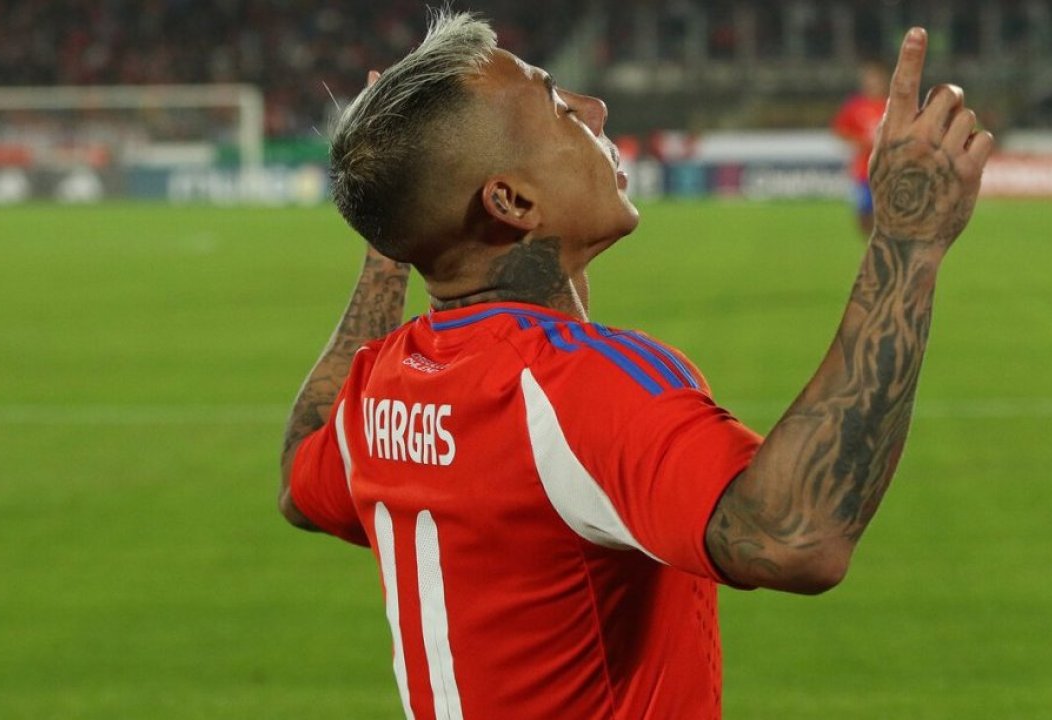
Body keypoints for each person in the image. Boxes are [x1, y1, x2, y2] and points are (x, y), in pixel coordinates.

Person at [279, 10, 991, 719]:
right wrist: (908, 241)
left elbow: (299, 479)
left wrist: (394, 227)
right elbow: (793, 535)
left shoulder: (381, 387)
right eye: (559, 108)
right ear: (513, 201)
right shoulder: (572, 387)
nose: (595, 108)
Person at [832, 60, 891, 237]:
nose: (872, 83)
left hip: (890, 170)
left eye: (876, 79)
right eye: (869, 79)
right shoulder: (855, 105)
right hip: (864, 171)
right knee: (864, 214)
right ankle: (871, 243)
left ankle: (886, 244)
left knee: (889, 213)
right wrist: (861, 143)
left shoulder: (893, 104)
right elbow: (841, 131)